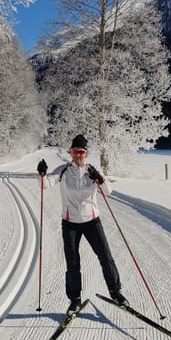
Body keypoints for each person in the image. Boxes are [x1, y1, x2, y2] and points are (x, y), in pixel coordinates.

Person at [37, 134, 128, 314]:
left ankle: (115, 292)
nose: (78, 155)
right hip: (70, 223)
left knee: (105, 257)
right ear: (71, 152)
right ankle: (75, 300)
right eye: (75, 151)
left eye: (82, 152)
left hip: (92, 222)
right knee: (72, 262)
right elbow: (45, 185)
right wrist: (41, 174)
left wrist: (99, 179)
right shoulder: (63, 170)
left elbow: (108, 191)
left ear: (86, 154)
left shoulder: (92, 170)